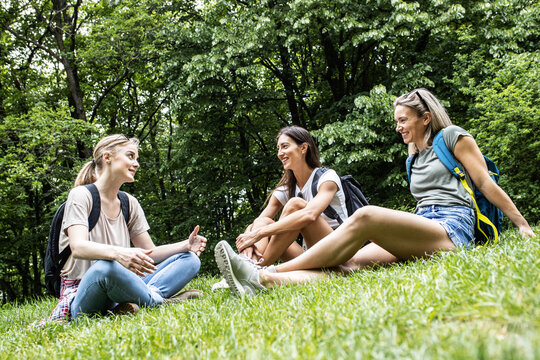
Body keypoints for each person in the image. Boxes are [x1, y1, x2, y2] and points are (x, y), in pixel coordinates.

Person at [214, 88, 535, 295]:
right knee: (346, 266)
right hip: (425, 223)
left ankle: (263, 271)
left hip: (453, 229)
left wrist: (521, 224)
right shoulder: (412, 154)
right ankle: (262, 282)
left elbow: (485, 184)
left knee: (366, 215)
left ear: (425, 118)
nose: (398, 127)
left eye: (403, 120)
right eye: (397, 121)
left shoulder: (452, 137)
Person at [36, 134, 207, 326]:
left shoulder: (129, 203)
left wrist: (185, 245)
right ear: (107, 157)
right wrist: (119, 254)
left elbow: (149, 255)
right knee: (105, 267)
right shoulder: (81, 195)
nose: (137, 164)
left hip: (124, 283)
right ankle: (160, 302)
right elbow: (78, 247)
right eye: (130, 156)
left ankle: (132, 303)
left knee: (190, 260)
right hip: (86, 290)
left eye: (136, 158)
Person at [213, 126, 349, 292]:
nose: (279, 153)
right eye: (278, 148)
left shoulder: (327, 177)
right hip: (308, 255)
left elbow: (310, 214)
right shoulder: (286, 188)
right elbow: (259, 222)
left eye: (285, 146)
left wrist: (258, 234)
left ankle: (251, 271)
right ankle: (246, 265)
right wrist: (248, 241)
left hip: (337, 250)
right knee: (263, 221)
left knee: (295, 205)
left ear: (303, 148)